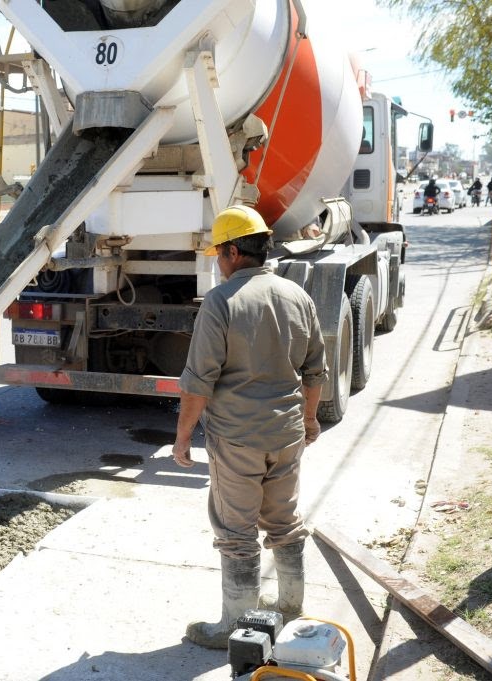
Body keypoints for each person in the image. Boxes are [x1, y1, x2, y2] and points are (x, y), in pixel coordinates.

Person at [172, 204, 328, 649]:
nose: (218, 265)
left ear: (234, 252)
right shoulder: (297, 296)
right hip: (287, 434)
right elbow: (316, 370)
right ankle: (291, 610)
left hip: (237, 439)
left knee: (236, 533)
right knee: (285, 522)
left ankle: (234, 630)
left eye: (218, 255)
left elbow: (198, 382)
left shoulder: (222, 302)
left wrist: (182, 438)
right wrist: (311, 419)